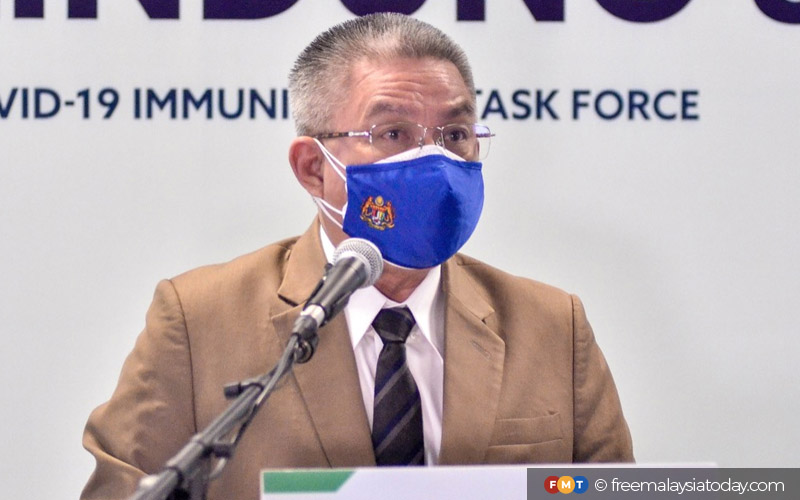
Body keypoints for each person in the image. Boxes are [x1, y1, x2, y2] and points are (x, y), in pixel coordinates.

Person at [81, 13, 633, 500]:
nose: (436, 160)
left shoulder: (552, 326)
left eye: (455, 133)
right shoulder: (199, 321)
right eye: (393, 133)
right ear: (313, 168)